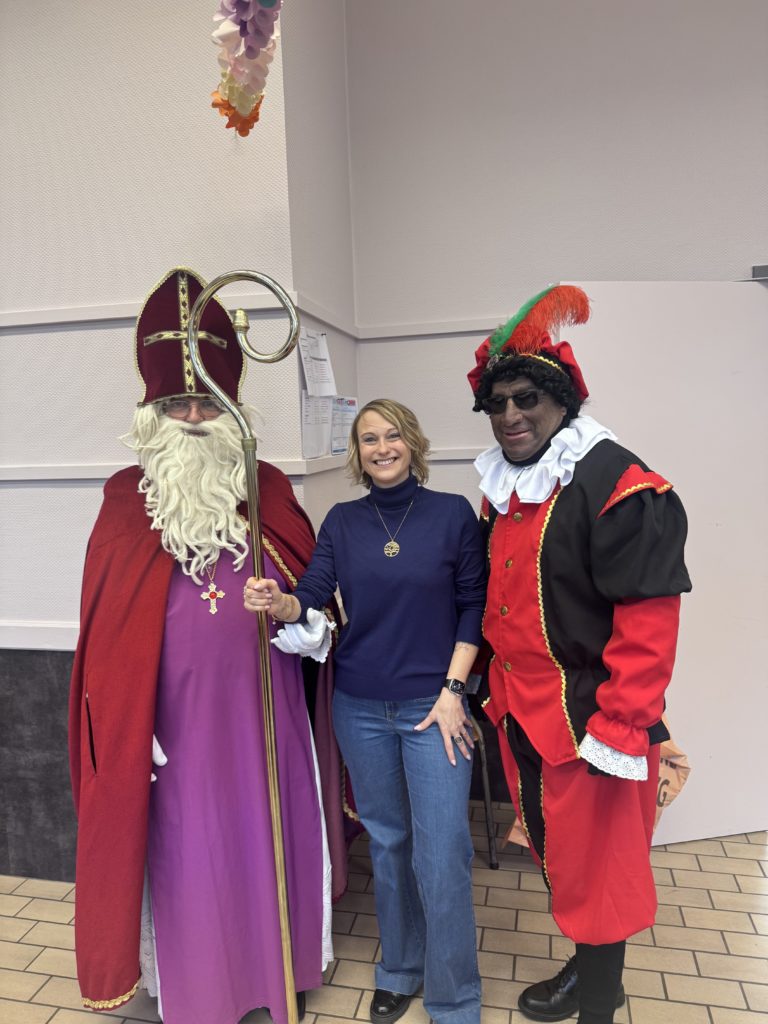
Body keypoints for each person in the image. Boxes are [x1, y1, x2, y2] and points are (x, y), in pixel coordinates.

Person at [68, 267, 350, 1024]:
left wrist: (296, 615)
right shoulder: (124, 502)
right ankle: (199, 990)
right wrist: (128, 724)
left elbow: (321, 612)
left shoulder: (270, 490)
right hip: (174, 733)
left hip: (267, 722)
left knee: (269, 841)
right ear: (152, 411)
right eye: (177, 403)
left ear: (233, 407)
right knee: (194, 857)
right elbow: (107, 641)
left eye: (207, 402)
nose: (194, 416)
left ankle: (279, 972)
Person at [467, 285, 691, 1024]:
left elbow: (648, 624)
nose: (510, 416)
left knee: (603, 871)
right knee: (564, 857)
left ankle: (599, 1001)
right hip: (522, 712)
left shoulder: (617, 482)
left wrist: (621, 727)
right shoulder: (504, 487)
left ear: (562, 402)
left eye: (526, 399)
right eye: (497, 404)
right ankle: (592, 971)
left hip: (593, 721)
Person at [245, 399, 486, 1024]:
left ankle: (454, 996)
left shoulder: (452, 514)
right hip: (360, 706)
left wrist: (454, 691)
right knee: (389, 842)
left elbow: (473, 606)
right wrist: (281, 602)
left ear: (413, 442)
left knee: (444, 851)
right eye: (369, 439)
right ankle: (400, 969)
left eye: (393, 435)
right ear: (357, 452)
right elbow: (313, 593)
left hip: (436, 707)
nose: (383, 448)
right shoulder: (343, 522)